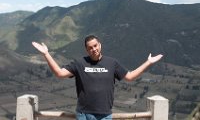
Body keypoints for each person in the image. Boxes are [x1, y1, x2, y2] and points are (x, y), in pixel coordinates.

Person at [32, 35, 163, 120]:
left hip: (105, 114)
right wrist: (46, 54)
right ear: (86, 50)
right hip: (84, 114)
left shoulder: (112, 63)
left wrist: (149, 62)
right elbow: (59, 73)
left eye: (95, 46)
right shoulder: (79, 63)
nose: (93, 49)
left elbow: (130, 77)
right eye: (90, 48)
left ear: (100, 45)